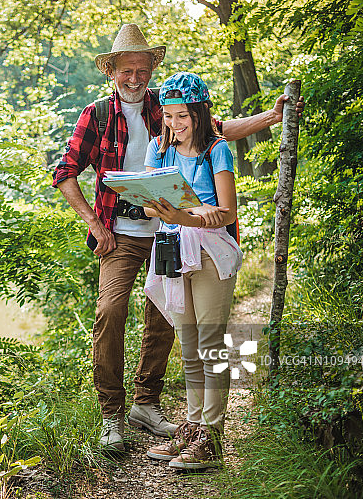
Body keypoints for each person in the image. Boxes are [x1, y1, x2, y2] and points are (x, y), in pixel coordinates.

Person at [52, 23, 302, 451]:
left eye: (142, 68)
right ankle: (111, 413)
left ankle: (147, 405)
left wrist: (272, 116)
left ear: (151, 68)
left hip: (174, 233)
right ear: (110, 71)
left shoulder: (167, 106)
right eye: (126, 70)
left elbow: (217, 131)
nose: (135, 77)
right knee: (110, 311)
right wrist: (94, 224)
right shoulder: (96, 114)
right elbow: (65, 173)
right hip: (122, 233)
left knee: (169, 319)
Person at [142, 71, 241, 469]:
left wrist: (190, 216)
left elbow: (227, 211)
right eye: (168, 116)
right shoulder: (157, 150)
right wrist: (190, 212)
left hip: (212, 252)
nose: (174, 124)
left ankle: (211, 439)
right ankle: (193, 425)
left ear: (199, 113)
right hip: (172, 250)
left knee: (209, 342)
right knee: (187, 346)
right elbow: (149, 206)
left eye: (182, 116)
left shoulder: (217, 150)